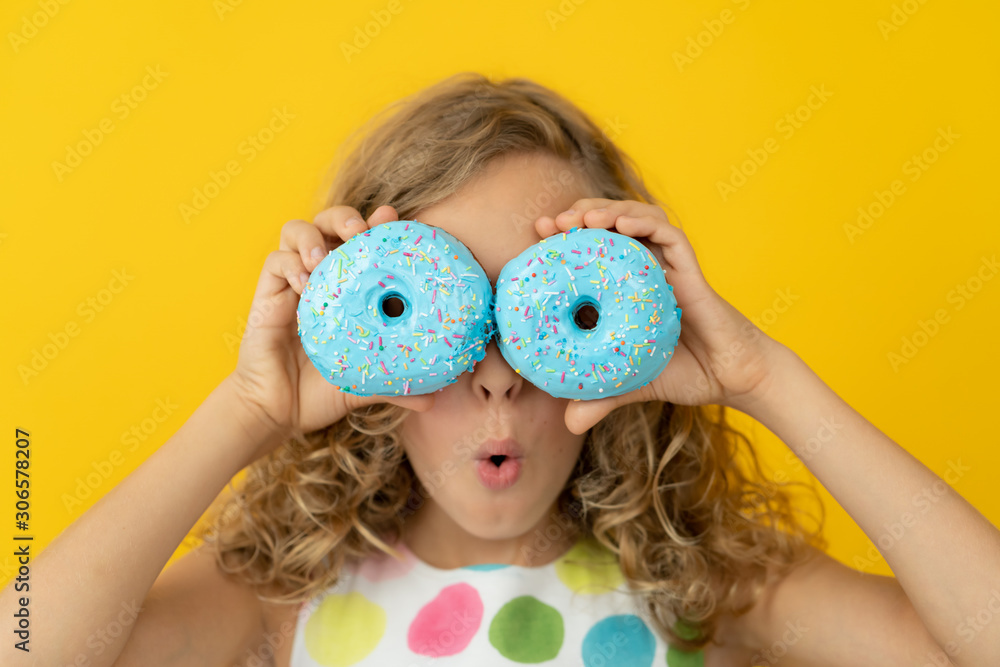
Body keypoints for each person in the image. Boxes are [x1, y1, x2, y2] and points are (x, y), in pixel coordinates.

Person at [5, 73, 998, 667]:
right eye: (444, 318)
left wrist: (760, 373)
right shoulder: (280, 592)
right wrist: (248, 408)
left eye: (542, 316)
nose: (496, 377)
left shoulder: (708, 584)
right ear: (359, 335)